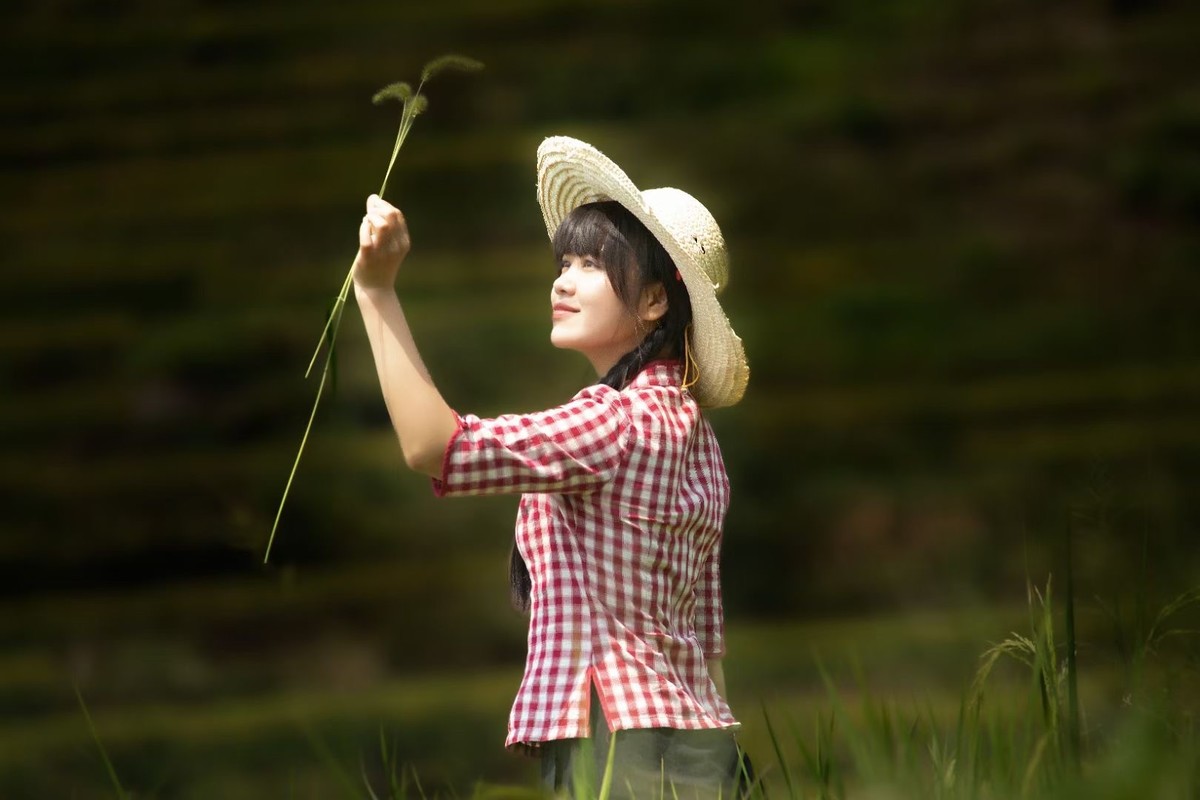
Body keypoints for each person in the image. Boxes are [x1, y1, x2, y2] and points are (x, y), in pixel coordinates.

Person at [351, 136, 751, 798]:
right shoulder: (696, 438)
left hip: (618, 739)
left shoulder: (610, 422)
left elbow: (436, 446)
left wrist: (376, 292)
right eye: (564, 261)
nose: (562, 280)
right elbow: (706, 640)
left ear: (654, 301)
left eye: (592, 264)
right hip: (703, 739)